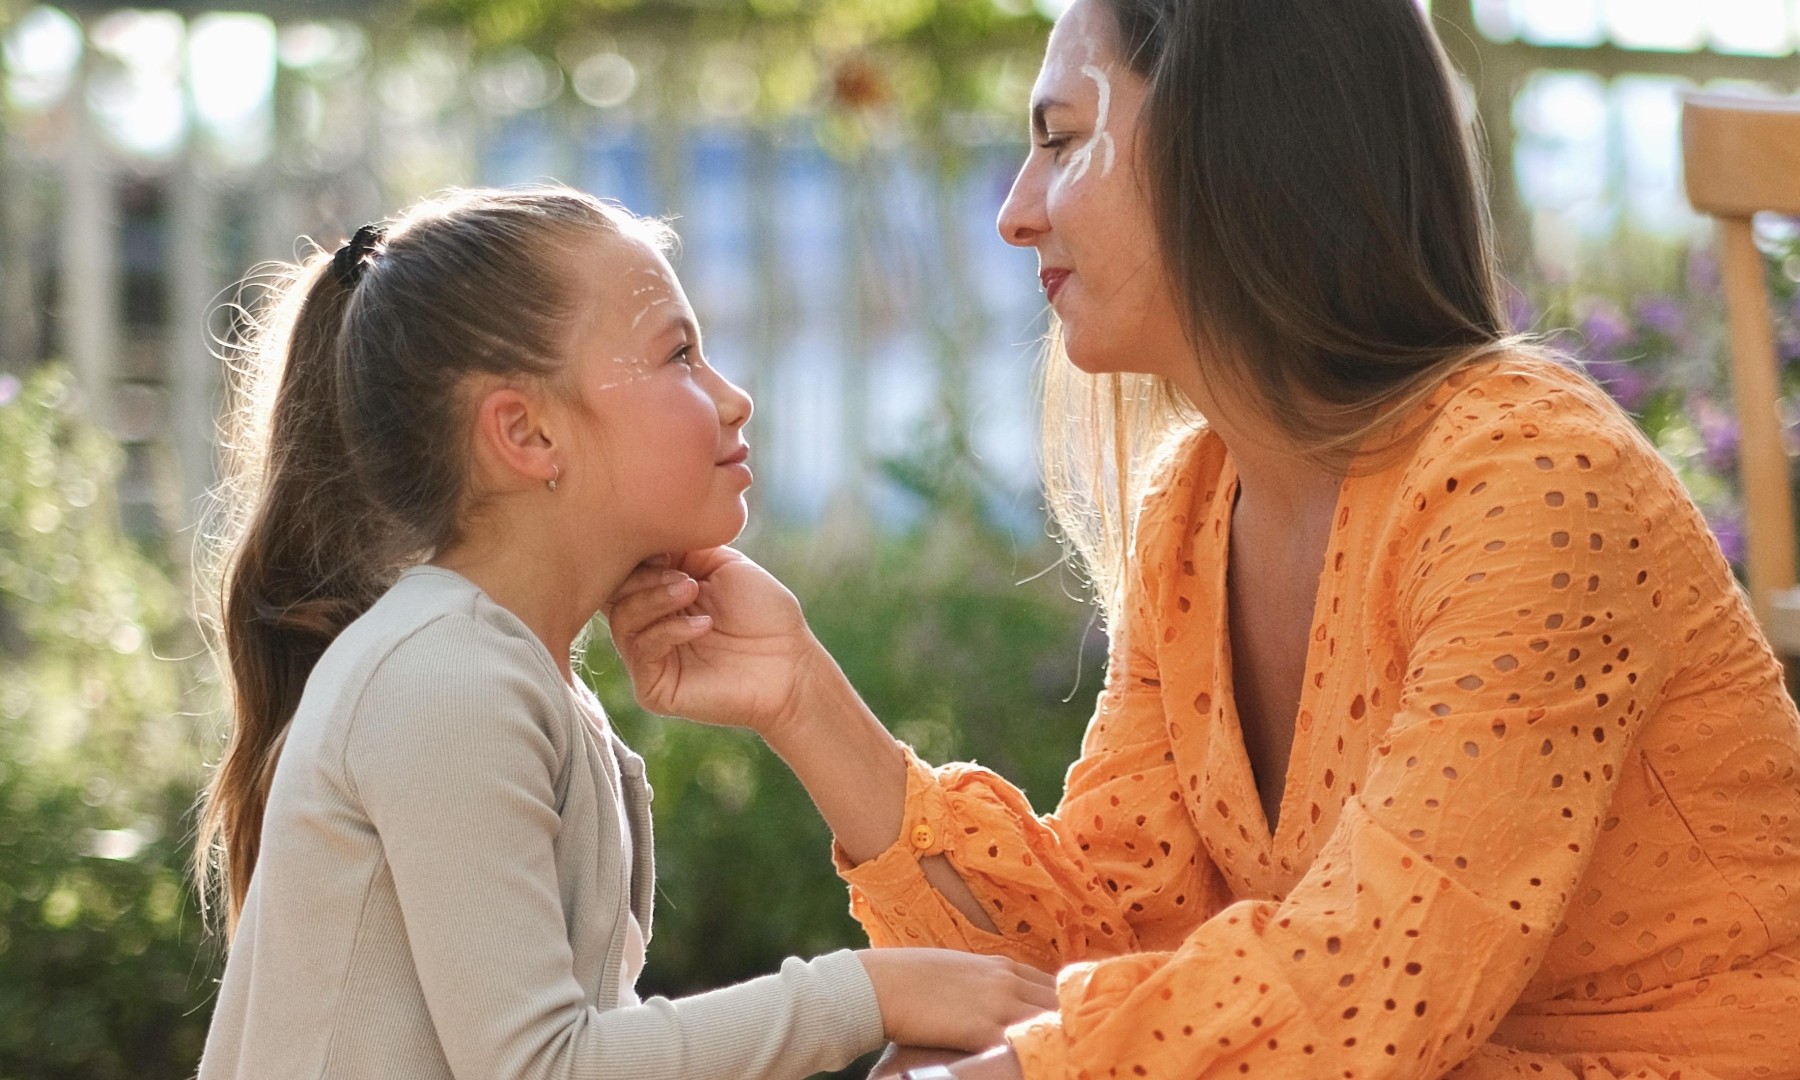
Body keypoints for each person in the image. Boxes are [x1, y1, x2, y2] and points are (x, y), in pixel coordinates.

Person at [601, 2, 1800, 1078]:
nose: (1015, 215)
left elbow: (1374, 985)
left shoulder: (1534, 482)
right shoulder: (1197, 504)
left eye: (1063, 140)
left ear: (1241, 147)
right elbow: (1100, 942)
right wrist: (803, 696)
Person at [190, 187, 1058, 1080]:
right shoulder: (444, 674)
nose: (734, 398)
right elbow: (545, 1067)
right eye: (680, 355)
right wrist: (872, 993)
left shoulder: (509, 673)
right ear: (526, 432)